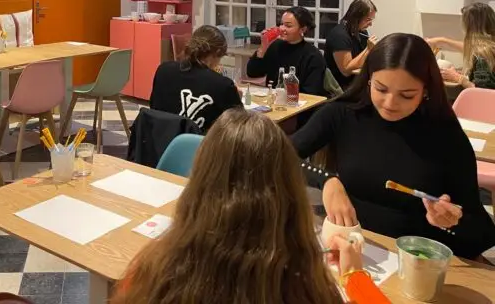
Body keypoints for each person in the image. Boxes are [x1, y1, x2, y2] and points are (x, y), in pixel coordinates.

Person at [112, 108, 390, 304]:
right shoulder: (307, 290)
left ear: (198, 187)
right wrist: (356, 278)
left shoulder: (152, 275)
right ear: (290, 199)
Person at [292, 33, 495, 259]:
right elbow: (279, 156)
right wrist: (326, 180)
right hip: (356, 247)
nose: (390, 103)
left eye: (406, 95)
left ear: (426, 90)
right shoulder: (343, 114)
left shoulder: (445, 135)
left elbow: (480, 231)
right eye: (381, 89)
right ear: (369, 79)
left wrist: (452, 222)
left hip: (416, 258)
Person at [149, 25, 240, 131]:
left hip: (157, 137)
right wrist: (235, 97)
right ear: (217, 52)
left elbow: (154, 108)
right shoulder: (223, 85)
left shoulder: (163, 70)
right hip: (197, 141)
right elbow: (238, 126)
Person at [246, 6, 326, 95]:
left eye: (288, 26)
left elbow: (312, 91)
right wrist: (263, 47)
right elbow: (252, 73)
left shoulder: (313, 56)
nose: (282, 28)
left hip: (298, 100)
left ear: (303, 29)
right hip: (273, 98)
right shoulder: (275, 46)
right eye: (281, 24)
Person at [427, 2, 495, 90]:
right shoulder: (489, 46)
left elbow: (482, 92)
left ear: (471, 28)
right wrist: (442, 40)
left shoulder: (482, 55)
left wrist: (458, 78)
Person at [324, 0, 378, 89]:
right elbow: (346, 70)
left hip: (356, 84)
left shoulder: (361, 31)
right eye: (368, 19)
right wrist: (368, 49)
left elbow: (364, 60)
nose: (370, 24)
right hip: (340, 88)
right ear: (356, 17)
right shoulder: (339, 35)